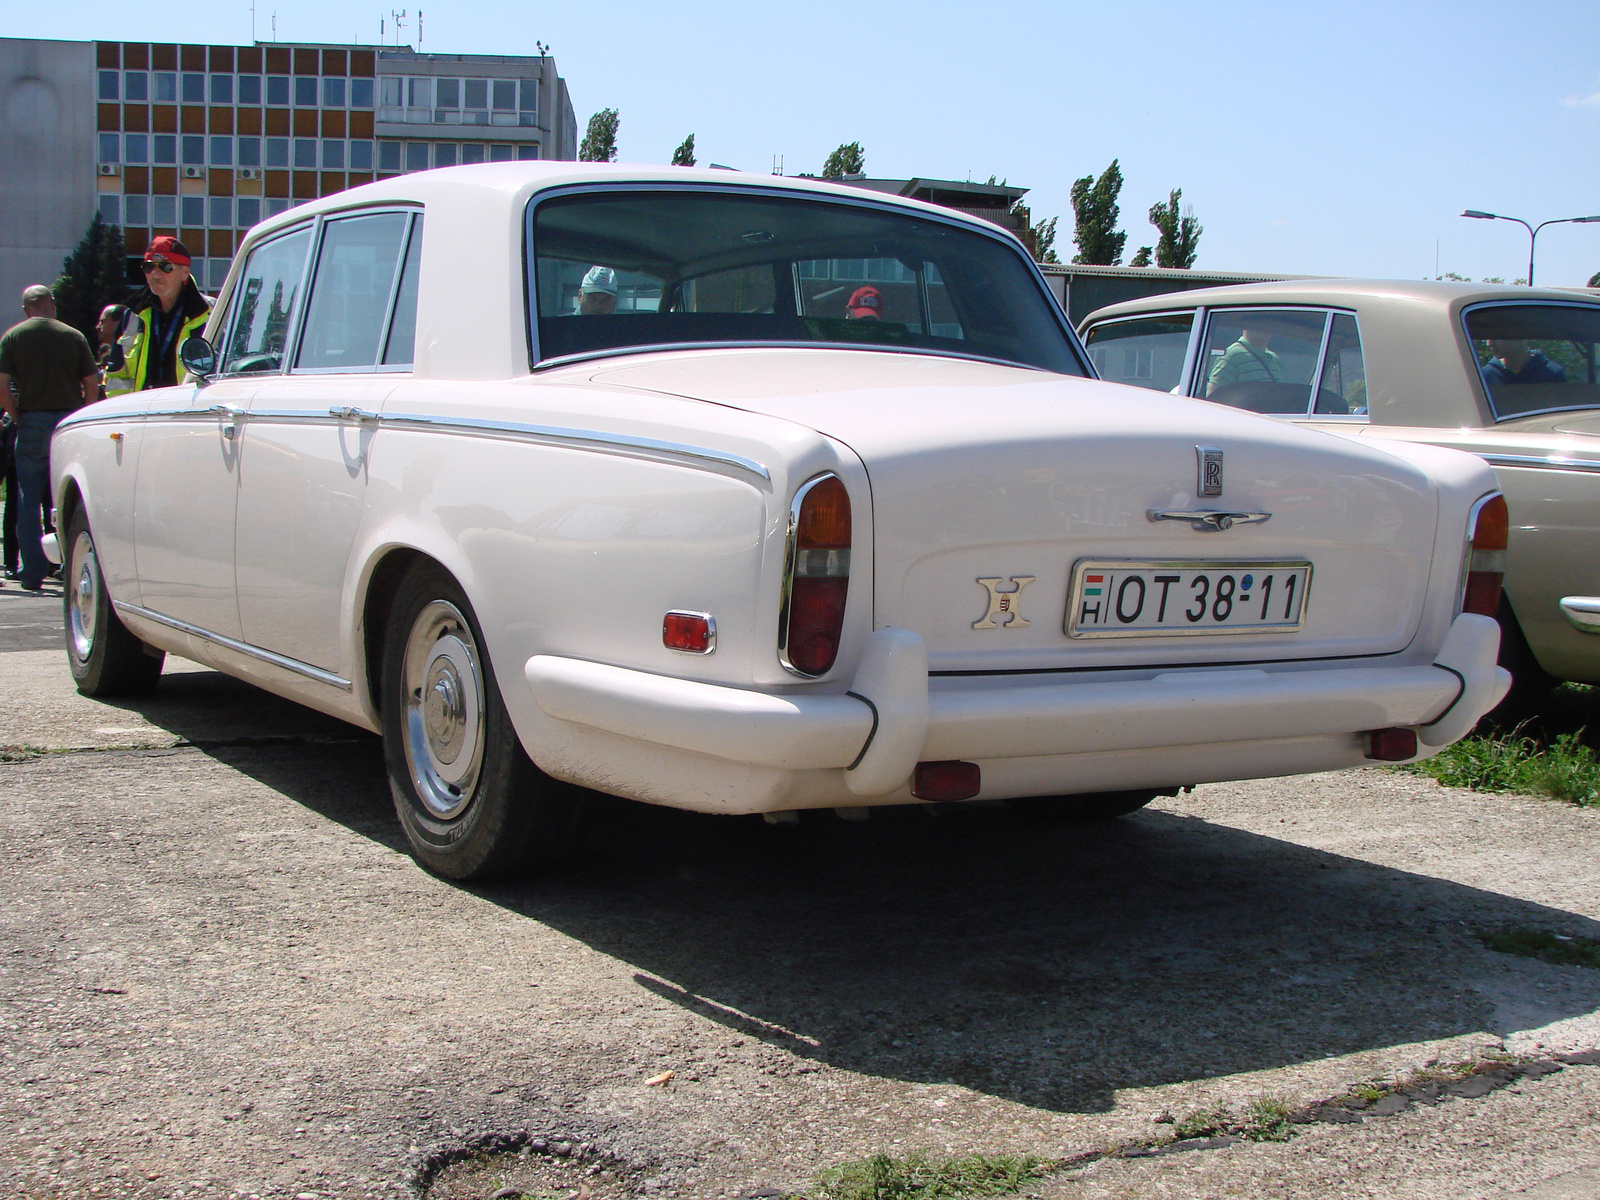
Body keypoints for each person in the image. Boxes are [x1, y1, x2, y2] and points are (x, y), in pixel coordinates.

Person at [0, 284, 99, 591]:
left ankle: (32, 573)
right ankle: (70, 567)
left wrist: (17, 415)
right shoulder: (73, 336)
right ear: (52, 304)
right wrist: (83, 414)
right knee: (68, 497)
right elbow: (91, 382)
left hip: (31, 420)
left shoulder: (14, 337)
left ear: (26, 308)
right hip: (67, 422)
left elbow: (2, 385)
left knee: (27, 498)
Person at [106, 236, 211, 393]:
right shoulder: (132, 315)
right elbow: (116, 377)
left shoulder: (211, 312)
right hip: (142, 412)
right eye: (149, 267)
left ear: (185, 273)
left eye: (165, 266)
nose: (155, 274)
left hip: (191, 412)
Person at [1206, 326, 1282, 395]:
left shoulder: (1274, 359)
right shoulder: (1233, 355)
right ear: (1246, 325)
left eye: (1269, 322)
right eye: (1258, 321)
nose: (1265, 326)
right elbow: (1213, 396)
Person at [1482, 339, 1567, 387]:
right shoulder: (1484, 376)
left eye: (1496, 337)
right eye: (1487, 337)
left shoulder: (1552, 374)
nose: (1489, 343)